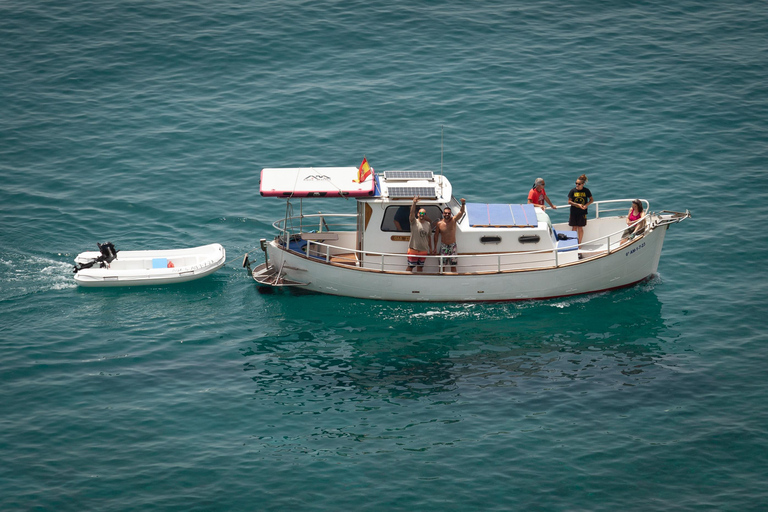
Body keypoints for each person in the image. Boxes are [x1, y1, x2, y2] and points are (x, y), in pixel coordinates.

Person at [433, 198, 466, 273]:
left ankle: (454, 279)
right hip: (443, 246)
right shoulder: (439, 224)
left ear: (450, 214)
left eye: (448, 213)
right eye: (445, 213)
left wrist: (463, 204)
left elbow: (461, 212)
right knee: (442, 266)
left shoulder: (453, 220)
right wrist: (435, 247)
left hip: (452, 246)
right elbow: (436, 236)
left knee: (453, 265)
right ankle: (441, 279)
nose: (447, 214)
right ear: (443, 214)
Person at [406, 196, 433, 272]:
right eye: (420, 213)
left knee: (420, 268)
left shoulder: (428, 224)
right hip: (414, 249)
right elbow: (411, 213)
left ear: (425, 215)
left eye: (424, 213)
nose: (422, 214)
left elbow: (429, 237)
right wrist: (414, 203)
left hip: (424, 250)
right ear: (418, 214)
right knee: (410, 267)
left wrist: (430, 248)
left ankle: (419, 282)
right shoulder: (414, 222)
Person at [567, 174, 593, 246]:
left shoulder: (586, 191)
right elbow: (569, 201)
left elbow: (591, 200)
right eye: (576, 183)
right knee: (574, 227)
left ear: (583, 184)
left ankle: (579, 244)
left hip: (582, 212)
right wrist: (577, 204)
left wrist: (586, 205)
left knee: (580, 228)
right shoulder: (573, 191)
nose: (577, 185)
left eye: (579, 184)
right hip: (573, 212)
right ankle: (573, 243)